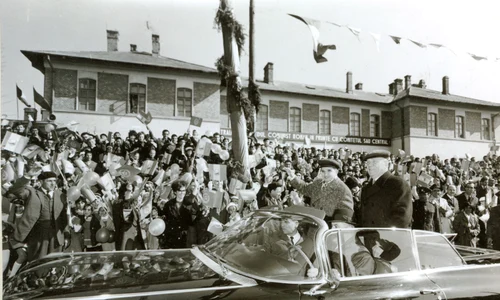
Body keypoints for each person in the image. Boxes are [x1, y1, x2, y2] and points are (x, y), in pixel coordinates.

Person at [11, 171, 69, 262]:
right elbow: (15, 189)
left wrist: (66, 234)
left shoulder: (61, 195)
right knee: (37, 264)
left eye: (54, 181)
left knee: (54, 264)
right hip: (38, 235)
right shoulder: (32, 192)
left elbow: (64, 217)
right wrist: (27, 176)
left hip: (56, 236)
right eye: (49, 181)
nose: (53, 183)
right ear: (41, 182)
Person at [285, 159, 354, 225]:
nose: (325, 174)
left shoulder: (342, 188)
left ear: (336, 172)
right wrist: (293, 177)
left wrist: (335, 227)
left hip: (328, 228)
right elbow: (305, 188)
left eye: (329, 171)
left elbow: (345, 214)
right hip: (314, 224)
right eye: (323, 171)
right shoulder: (318, 183)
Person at [359, 150, 412, 228]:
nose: (369, 166)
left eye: (374, 162)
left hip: (388, 237)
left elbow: (401, 218)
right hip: (368, 237)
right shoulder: (366, 188)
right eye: (368, 163)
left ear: (385, 164)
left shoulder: (397, 184)